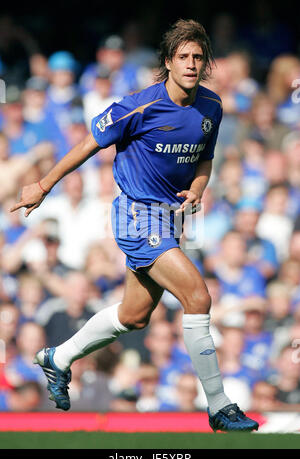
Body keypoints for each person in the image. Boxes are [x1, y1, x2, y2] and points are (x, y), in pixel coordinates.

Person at [10, 19, 258, 432]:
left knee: (135, 315)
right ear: (168, 62)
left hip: (170, 220)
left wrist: (197, 188)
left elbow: (205, 158)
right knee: (198, 297)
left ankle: (59, 358)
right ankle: (219, 405)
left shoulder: (210, 107)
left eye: (199, 57)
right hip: (135, 215)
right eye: (184, 57)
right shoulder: (138, 105)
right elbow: (90, 144)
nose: (192, 64)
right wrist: (43, 184)